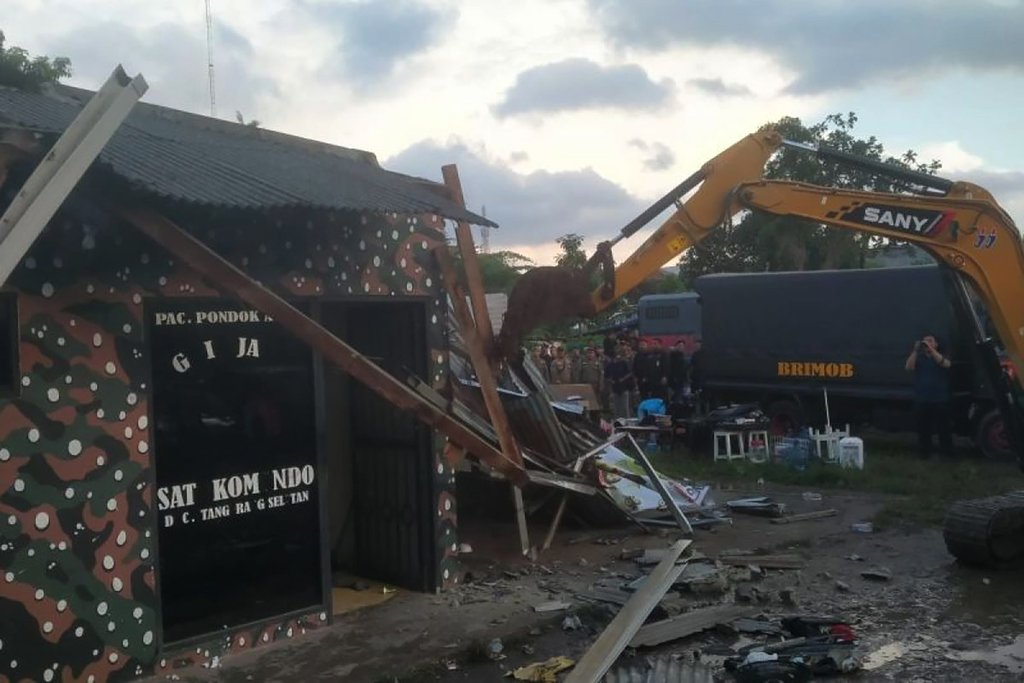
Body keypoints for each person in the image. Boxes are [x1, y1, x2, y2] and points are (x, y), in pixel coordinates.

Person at [905, 334, 953, 458]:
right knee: (923, 430)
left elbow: (946, 364)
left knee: (944, 430)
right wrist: (915, 350)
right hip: (922, 399)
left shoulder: (941, 356)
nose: (926, 343)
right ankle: (924, 454)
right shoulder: (919, 358)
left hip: (940, 399)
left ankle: (946, 454)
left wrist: (931, 350)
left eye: (930, 341)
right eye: (925, 341)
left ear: (936, 344)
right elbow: (909, 367)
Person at [605, 345, 635, 420]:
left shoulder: (624, 362)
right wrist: (610, 380)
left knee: (625, 408)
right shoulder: (610, 364)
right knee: (616, 408)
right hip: (614, 388)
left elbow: (630, 373)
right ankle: (617, 423)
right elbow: (606, 375)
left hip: (624, 387)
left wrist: (623, 378)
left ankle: (627, 422)